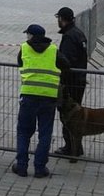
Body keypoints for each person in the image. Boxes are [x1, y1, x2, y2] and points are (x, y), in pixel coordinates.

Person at [13, 24, 69, 178]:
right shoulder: (53, 50)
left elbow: (20, 64)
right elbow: (66, 64)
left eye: (28, 35)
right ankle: (39, 168)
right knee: (45, 133)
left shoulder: (24, 48)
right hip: (48, 96)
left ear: (31, 36)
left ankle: (22, 166)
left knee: (24, 132)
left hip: (29, 95)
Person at [54, 6, 88, 157]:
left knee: (68, 115)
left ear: (61, 19)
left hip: (71, 82)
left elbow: (67, 61)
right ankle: (76, 147)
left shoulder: (69, 36)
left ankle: (71, 148)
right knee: (75, 114)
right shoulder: (78, 33)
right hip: (79, 80)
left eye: (58, 19)